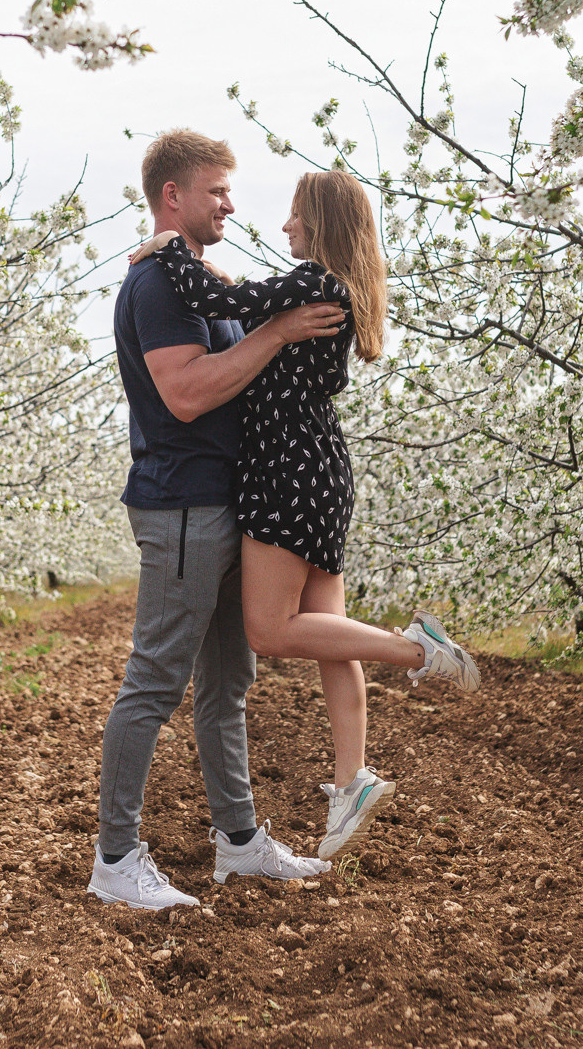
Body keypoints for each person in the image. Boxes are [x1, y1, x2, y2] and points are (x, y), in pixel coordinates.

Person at [131, 168, 481, 864]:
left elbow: (215, 296)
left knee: (270, 628)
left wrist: (166, 245)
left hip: (286, 471)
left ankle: (418, 648)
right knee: (331, 637)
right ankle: (352, 779)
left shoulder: (315, 282)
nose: (284, 227)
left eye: (294, 216)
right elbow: (246, 301)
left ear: (319, 221)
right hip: (320, 467)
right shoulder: (335, 286)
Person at [90, 129, 341, 911]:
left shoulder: (191, 273)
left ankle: (238, 843)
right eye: (217, 191)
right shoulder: (159, 286)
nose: (233, 203)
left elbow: (237, 317)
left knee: (227, 683)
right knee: (156, 679)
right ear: (174, 196)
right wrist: (275, 333)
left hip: (229, 502)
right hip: (184, 503)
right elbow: (189, 392)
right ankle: (115, 858)